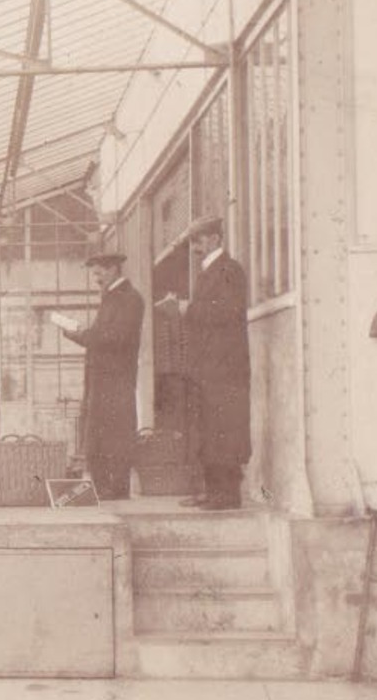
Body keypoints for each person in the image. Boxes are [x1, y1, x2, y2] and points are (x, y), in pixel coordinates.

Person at [158, 215, 251, 510]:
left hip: (224, 366)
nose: (194, 245)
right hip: (209, 365)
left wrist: (186, 308)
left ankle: (227, 494)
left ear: (214, 238)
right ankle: (213, 491)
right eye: (192, 240)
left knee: (224, 428)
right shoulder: (210, 271)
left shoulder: (228, 270)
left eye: (198, 239)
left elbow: (226, 313)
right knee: (210, 429)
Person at [59, 252, 144, 500]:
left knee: (113, 433)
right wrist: (83, 333)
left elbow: (114, 338)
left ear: (114, 269)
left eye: (99, 273)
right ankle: (106, 487)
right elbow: (104, 335)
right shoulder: (115, 298)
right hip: (106, 378)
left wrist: (78, 334)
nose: (96, 279)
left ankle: (113, 488)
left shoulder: (128, 299)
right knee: (104, 432)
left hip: (115, 379)